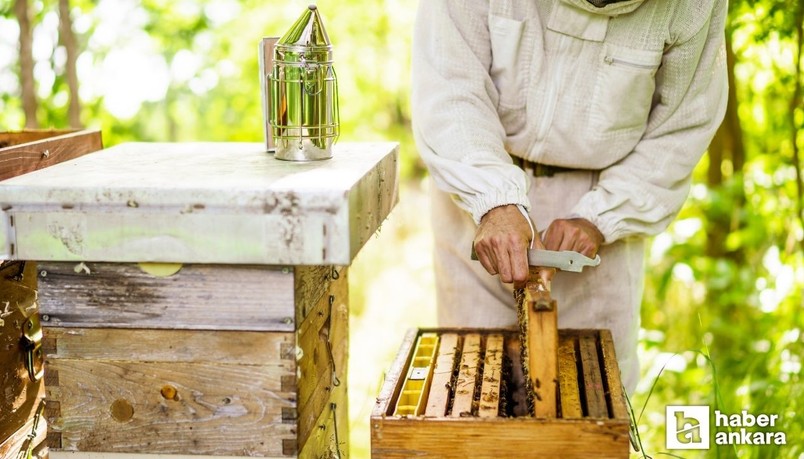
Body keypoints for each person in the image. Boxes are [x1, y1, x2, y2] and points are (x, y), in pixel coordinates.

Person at [411, 0, 728, 392]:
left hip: (603, 207)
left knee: (594, 402)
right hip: (476, 199)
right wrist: (492, 198)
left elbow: (682, 125)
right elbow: (449, 86)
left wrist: (601, 217)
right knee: (471, 391)